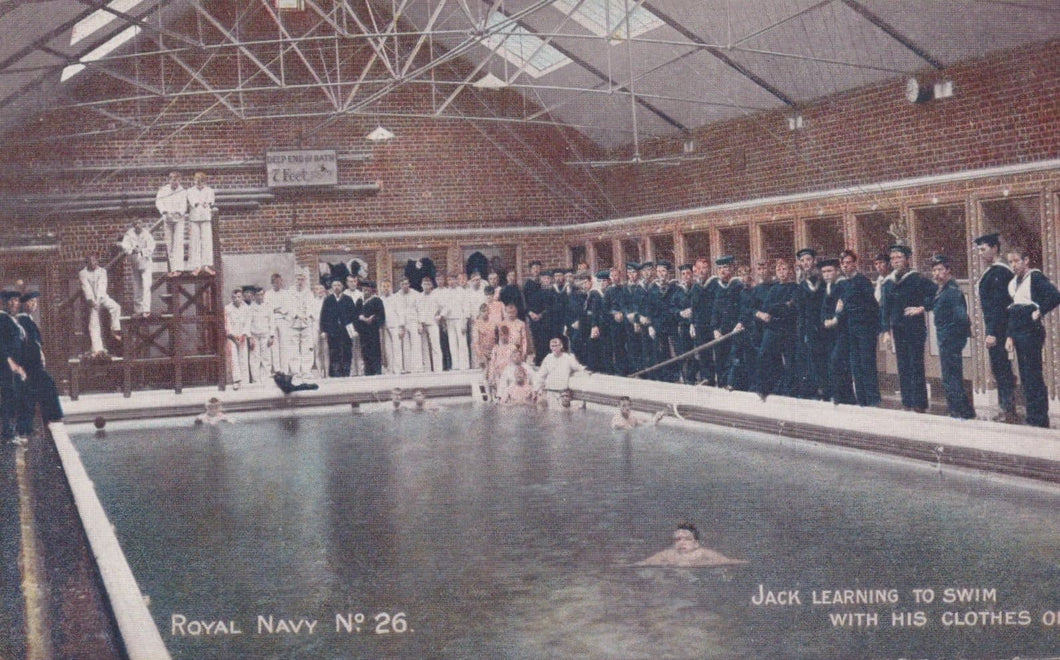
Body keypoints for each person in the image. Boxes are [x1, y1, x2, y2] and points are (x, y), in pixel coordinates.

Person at [1005, 247, 1060, 428]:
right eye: (1010, 262)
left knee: (1033, 374)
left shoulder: (1035, 277)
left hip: (1031, 331)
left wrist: (1040, 311)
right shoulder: (1013, 283)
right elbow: (1012, 313)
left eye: (1016, 261)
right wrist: (1010, 336)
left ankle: (1039, 418)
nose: (1013, 265)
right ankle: (1032, 415)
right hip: (1018, 330)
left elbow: (1054, 296)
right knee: (1025, 375)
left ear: (1026, 260)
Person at [879, 245, 936, 412]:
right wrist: (886, 331)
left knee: (915, 364)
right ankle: (907, 401)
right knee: (902, 364)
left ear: (907, 259)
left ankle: (919, 403)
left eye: (899, 258)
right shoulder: (888, 283)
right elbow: (885, 309)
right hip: (898, 329)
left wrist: (921, 308)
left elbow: (935, 294)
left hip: (915, 327)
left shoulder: (917, 279)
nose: (896, 261)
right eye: (893, 258)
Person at [973, 233, 1017, 422]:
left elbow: (998, 307)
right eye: (979, 250)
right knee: (999, 368)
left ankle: (1008, 409)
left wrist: (992, 332)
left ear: (995, 248)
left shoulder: (1000, 272)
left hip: (1000, 329)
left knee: (1002, 368)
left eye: (983, 249)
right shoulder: (993, 271)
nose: (981, 254)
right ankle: (1006, 407)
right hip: (998, 327)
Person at [930, 255, 976, 420]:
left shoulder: (951, 290)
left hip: (950, 339)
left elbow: (961, 317)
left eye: (940, 269)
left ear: (948, 270)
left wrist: (953, 337)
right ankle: (959, 410)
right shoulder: (943, 289)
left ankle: (960, 411)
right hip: (946, 338)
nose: (936, 274)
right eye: (934, 270)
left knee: (951, 376)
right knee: (950, 375)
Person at [835, 250, 881, 407]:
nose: (845, 266)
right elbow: (839, 307)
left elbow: (872, 307)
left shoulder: (863, 281)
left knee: (867, 364)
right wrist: (838, 310)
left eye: (848, 262)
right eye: (843, 263)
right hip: (849, 330)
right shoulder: (841, 284)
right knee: (855, 365)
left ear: (855, 263)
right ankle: (861, 401)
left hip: (865, 329)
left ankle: (873, 400)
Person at [15, 292, 62, 439]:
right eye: (31, 301)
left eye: (35, 302)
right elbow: (30, 344)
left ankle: (30, 426)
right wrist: (38, 357)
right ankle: (52, 417)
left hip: (32, 364)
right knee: (46, 385)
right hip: (30, 364)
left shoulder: (29, 320)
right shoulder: (23, 321)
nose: (34, 304)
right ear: (24, 304)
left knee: (30, 394)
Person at [755, 259, 799, 400]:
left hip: (788, 329)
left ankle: (789, 391)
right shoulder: (773, 289)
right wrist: (781, 306)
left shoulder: (795, 288)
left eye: (784, 269)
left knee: (790, 360)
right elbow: (767, 307)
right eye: (779, 270)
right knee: (765, 355)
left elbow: (790, 309)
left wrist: (777, 308)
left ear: (790, 271)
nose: (782, 273)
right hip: (773, 328)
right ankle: (767, 388)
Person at [819, 258, 855, 405]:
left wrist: (835, 318)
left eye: (829, 271)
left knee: (837, 361)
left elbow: (843, 306)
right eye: (824, 272)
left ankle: (842, 397)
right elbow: (823, 308)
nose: (826, 275)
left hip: (843, 330)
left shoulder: (843, 285)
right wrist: (824, 320)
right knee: (834, 362)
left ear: (837, 271)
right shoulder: (827, 287)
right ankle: (842, 396)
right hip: (830, 331)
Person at [634, 523, 747, 568]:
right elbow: (644, 563)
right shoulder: (668, 554)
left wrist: (697, 564)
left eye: (687, 539)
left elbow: (726, 561)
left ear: (696, 543)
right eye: (678, 539)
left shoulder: (703, 552)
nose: (682, 542)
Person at [78, 255, 122, 355]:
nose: (93, 263)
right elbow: (86, 287)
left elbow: (102, 286)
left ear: (97, 261)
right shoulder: (82, 273)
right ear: (87, 263)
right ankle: (97, 348)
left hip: (102, 297)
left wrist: (98, 300)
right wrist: (92, 301)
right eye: (90, 262)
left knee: (116, 307)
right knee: (93, 323)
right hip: (91, 301)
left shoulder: (102, 272)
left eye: (94, 261)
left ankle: (115, 329)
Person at [0, 290, 27, 443]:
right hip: (7, 366)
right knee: (9, 397)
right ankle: (8, 433)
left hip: (17, 366)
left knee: (15, 397)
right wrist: (11, 363)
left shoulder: (14, 320)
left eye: (16, 300)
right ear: (4, 302)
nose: (13, 303)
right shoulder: (2, 319)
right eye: (10, 300)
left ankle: (13, 431)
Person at [534, 337, 587, 405]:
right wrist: (536, 389)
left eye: (556, 346)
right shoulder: (548, 358)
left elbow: (578, 367)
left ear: (561, 346)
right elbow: (541, 375)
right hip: (550, 392)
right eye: (552, 346)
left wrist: (585, 370)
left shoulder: (568, 358)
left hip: (562, 393)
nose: (554, 348)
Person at [284, 272, 317, 378]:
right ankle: (295, 371)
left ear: (305, 281)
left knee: (307, 347)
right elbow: (288, 306)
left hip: (306, 323)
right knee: (293, 348)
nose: (300, 282)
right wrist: (297, 315)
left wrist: (307, 315)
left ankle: (306, 371)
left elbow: (311, 306)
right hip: (293, 323)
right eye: (298, 279)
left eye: (302, 279)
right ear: (295, 280)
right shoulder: (289, 292)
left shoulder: (309, 293)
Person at [121, 218, 156, 317]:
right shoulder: (129, 234)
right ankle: (138, 310)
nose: (137, 225)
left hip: (146, 263)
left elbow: (152, 247)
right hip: (135, 263)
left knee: (146, 285)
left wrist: (141, 250)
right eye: (135, 223)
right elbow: (124, 245)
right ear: (133, 225)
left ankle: (146, 310)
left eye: (139, 223)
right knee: (137, 286)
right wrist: (132, 250)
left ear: (142, 224)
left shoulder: (146, 234)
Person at [155, 171, 188, 275]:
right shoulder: (163, 190)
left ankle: (179, 269)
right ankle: (173, 269)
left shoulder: (183, 191)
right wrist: (164, 210)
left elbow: (184, 205)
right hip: (168, 218)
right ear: (170, 180)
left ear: (180, 180)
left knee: (178, 242)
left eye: (177, 180)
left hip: (178, 219)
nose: (175, 182)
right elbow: (158, 202)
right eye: (173, 179)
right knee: (169, 243)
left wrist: (179, 212)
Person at [320, 279, 354, 377]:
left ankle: (346, 373)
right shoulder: (328, 300)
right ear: (332, 287)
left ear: (342, 286)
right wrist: (324, 330)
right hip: (333, 331)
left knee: (347, 351)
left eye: (339, 285)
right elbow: (324, 316)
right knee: (334, 351)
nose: (336, 287)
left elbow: (353, 316)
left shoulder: (348, 299)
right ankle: (336, 374)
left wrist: (353, 330)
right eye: (334, 285)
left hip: (346, 330)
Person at [185, 171, 217, 275]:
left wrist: (205, 203)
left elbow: (210, 202)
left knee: (207, 241)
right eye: (197, 180)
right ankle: (196, 266)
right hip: (194, 218)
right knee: (195, 242)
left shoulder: (210, 191)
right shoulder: (189, 191)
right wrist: (201, 203)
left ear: (205, 181)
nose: (199, 183)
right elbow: (194, 202)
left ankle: (206, 265)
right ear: (194, 181)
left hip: (206, 218)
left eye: (201, 180)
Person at [356, 280, 385, 376]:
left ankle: (377, 370)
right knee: (365, 351)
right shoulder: (359, 301)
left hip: (373, 330)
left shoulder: (377, 300)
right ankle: (367, 371)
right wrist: (361, 317)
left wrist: (373, 318)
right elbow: (355, 314)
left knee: (375, 350)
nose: (366, 291)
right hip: (363, 330)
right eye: (364, 289)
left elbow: (381, 315)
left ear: (372, 290)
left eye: (368, 289)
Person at [224, 288, 251, 390]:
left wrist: (244, 334)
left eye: (239, 297)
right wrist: (232, 335)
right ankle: (236, 380)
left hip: (242, 336)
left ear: (242, 297)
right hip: (232, 337)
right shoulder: (227, 308)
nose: (236, 299)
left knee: (243, 358)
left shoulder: (246, 308)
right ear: (231, 298)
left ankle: (245, 381)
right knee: (234, 358)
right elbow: (227, 324)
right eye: (234, 297)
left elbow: (248, 323)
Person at [247, 287, 275, 382]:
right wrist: (250, 338)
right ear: (254, 296)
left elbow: (272, 322)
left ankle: (266, 379)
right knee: (254, 359)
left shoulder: (268, 306)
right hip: (254, 336)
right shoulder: (250, 308)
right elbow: (248, 323)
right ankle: (256, 380)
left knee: (266, 358)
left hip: (265, 336)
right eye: (258, 295)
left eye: (261, 295)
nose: (260, 297)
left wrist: (271, 336)